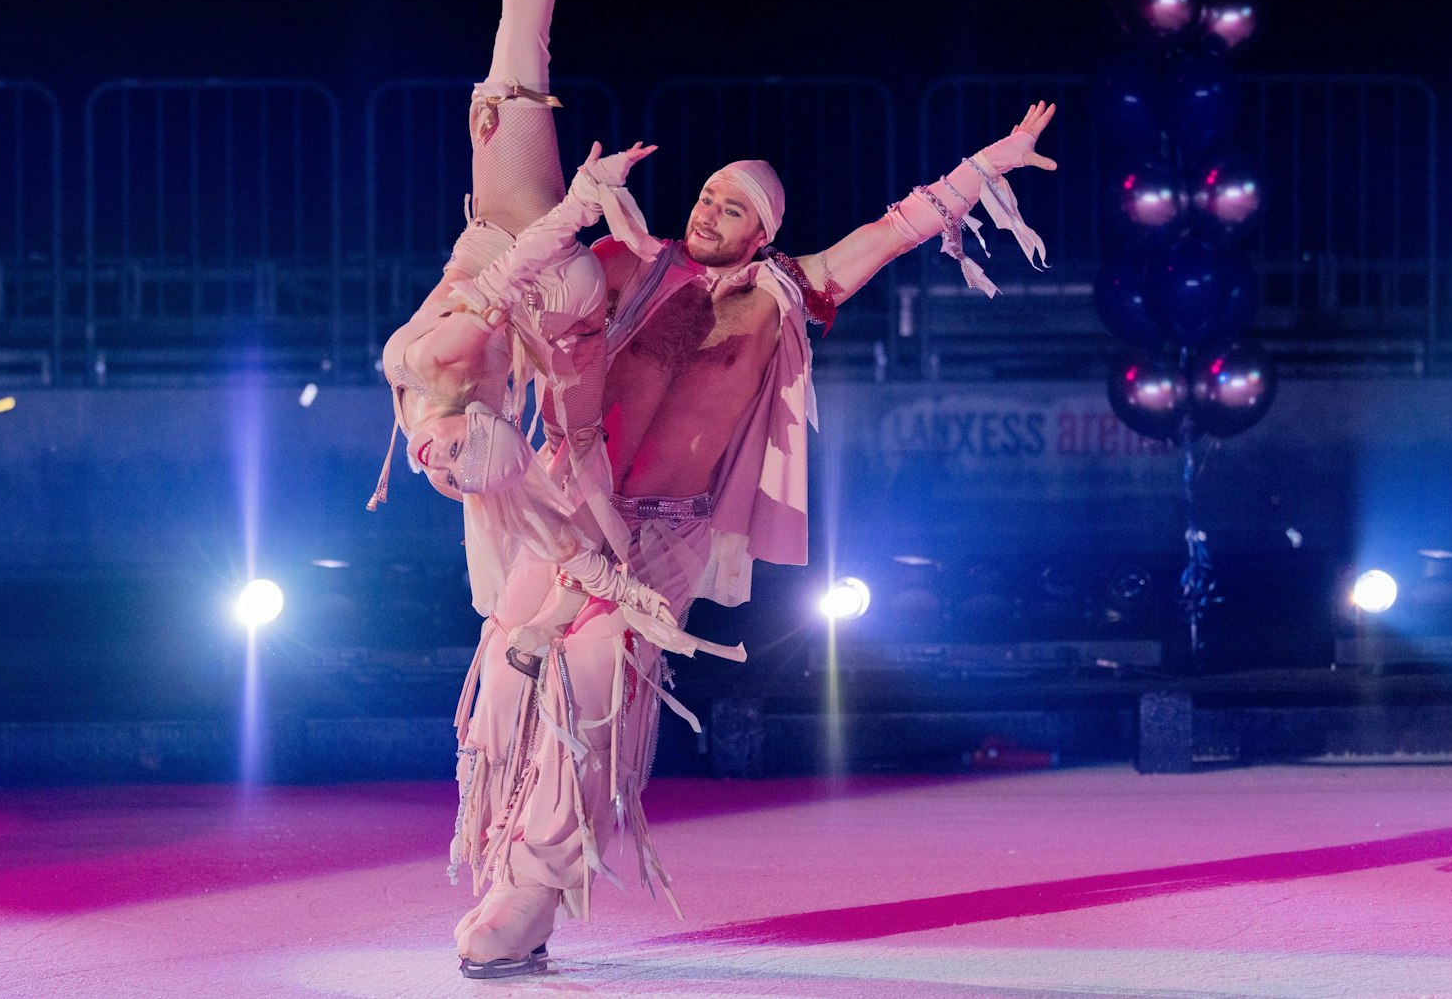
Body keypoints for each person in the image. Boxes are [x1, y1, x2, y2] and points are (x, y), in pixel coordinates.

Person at [448, 103, 1059, 977]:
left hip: (662, 538)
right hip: (569, 509)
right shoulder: (630, 263)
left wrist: (988, 165)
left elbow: (894, 231)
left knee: (592, 693)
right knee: (508, 681)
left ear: (764, 230)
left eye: (730, 208)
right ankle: (500, 863)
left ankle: (531, 891)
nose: (706, 212)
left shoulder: (787, 292)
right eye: (704, 196)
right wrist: (581, 198)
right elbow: (528, 270)